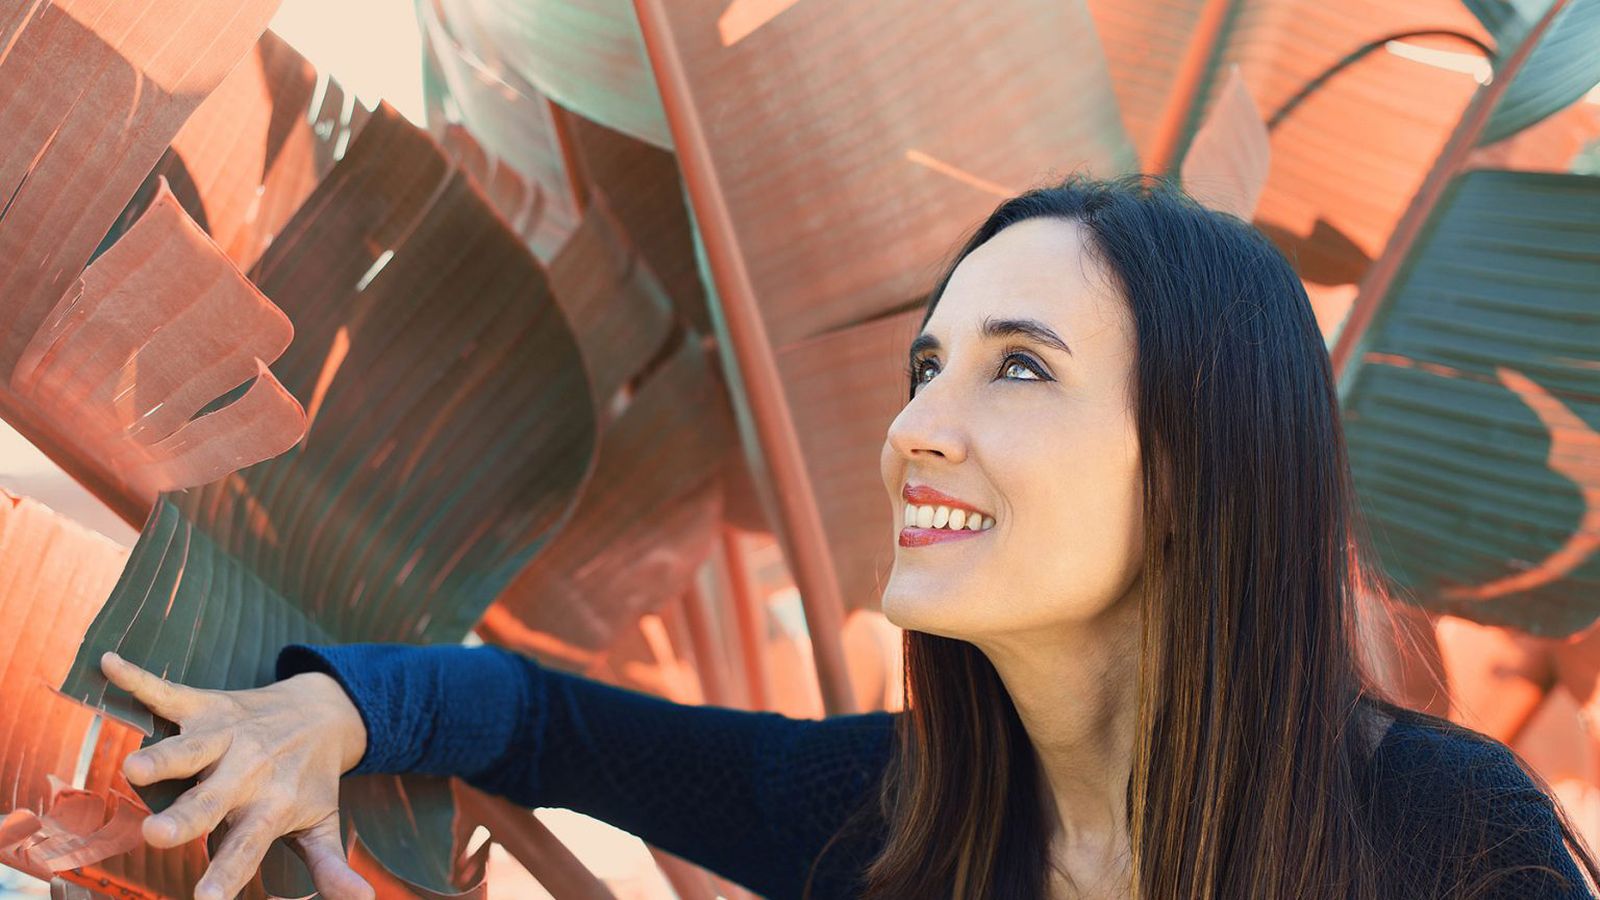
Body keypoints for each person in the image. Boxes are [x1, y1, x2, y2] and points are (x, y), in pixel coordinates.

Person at [97, 173, 1600, 899]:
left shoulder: (1450, 842)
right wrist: (339, 707)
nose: (914, 428)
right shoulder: (889, 820)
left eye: (1019, 366)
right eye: (923, 367)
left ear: (1203, 461)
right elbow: (542, 722)